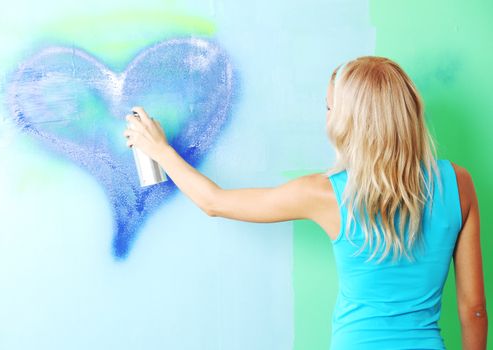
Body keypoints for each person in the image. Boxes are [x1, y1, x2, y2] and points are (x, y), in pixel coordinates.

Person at [123, 56, 487, 349]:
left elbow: (215, 202)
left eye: (330, 109)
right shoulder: (459, 183)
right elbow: (473, 310)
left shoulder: (329, 193)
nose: (326, 118)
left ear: (351, 123)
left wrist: (160, 150)